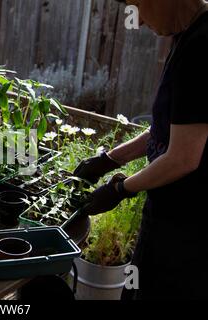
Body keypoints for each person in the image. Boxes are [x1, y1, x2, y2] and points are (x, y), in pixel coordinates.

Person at [74, 0, 208, 300]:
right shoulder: (186, 36)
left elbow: (184, 157)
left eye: (137, 6)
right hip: (168, 217)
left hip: (188, 230)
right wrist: (109, 159)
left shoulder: (202, 47)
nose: (140, 21)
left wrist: (120, 190)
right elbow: (165, 131)